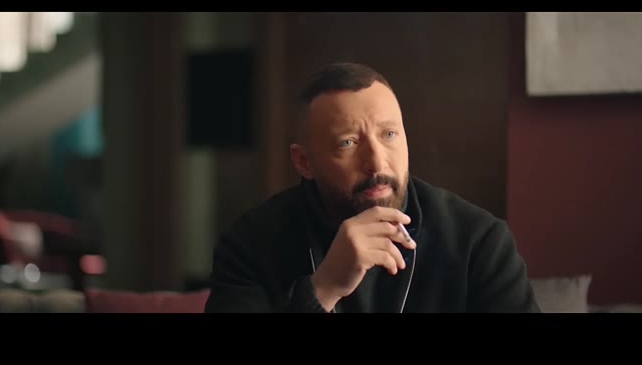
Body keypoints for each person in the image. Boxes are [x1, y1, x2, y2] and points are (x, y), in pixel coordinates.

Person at [204, 62, 540, 313]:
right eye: (348, 143)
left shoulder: (478, 240)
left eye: (389, 134)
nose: (377, 163)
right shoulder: (249, 245)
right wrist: (324, 288)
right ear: (304, 162)